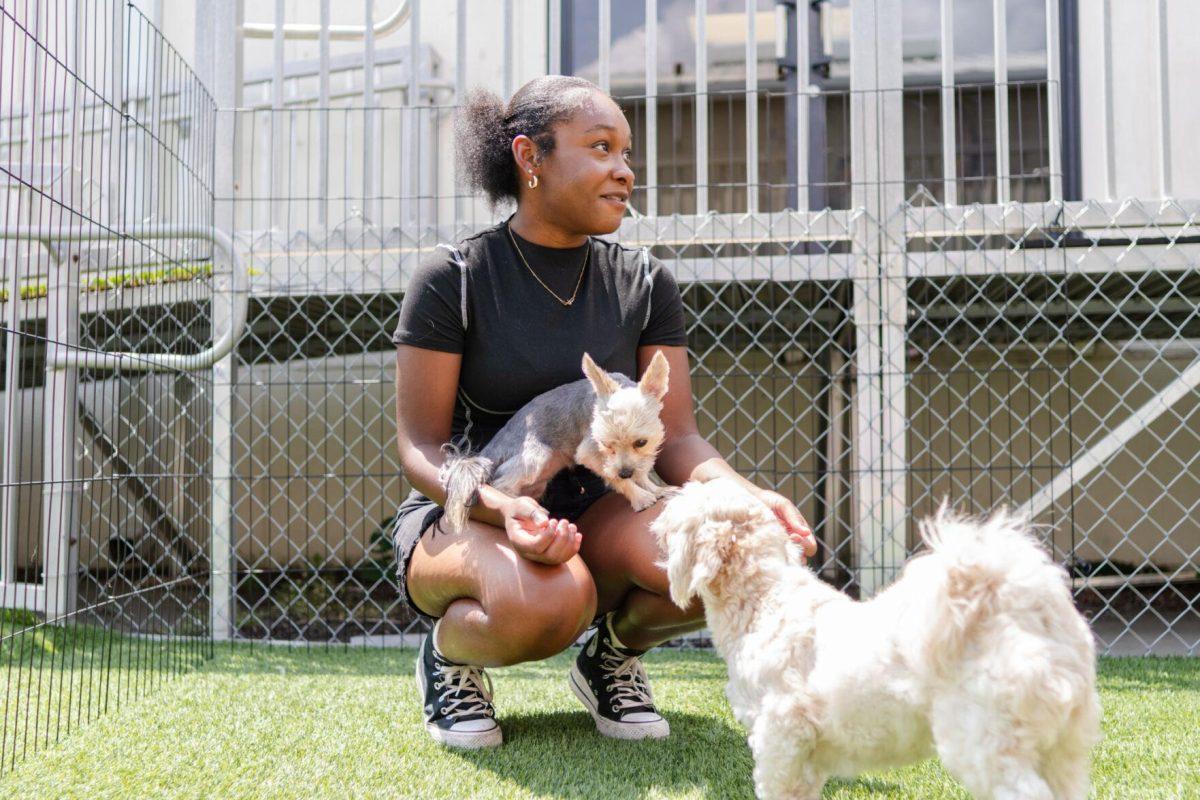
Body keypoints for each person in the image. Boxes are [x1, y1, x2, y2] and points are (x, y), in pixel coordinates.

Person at [391, 74, 817, 749]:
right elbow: (420, 447)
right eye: (600, 148)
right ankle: (451, 656)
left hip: (604, 499)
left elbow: (675, 436)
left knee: (726, 549)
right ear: (530, 158)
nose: (624, 171)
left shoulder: (644, 280)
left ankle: (611, 657)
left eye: (626, 153)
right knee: (553, 601)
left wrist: (748, 497)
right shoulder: (456, 278)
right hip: (474, 504)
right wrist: (508, 512)